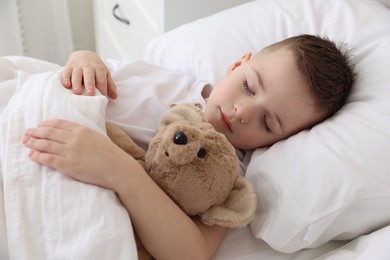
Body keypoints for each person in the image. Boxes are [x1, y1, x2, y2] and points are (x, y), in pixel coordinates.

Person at [22, 34, 355, 259]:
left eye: (267, 123)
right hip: (33, 122)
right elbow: (97, 69)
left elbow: (190, 252)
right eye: (249, 87)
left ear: (281, 141)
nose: (243, 112)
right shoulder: (167, 79)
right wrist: (85, 59)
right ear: (238, 65)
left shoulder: (227, 177)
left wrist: (120, 171)